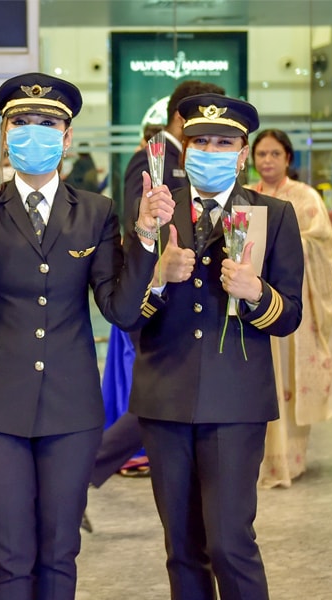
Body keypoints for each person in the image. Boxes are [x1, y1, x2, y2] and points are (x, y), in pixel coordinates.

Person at [0, 73, 174, 599]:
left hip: (70, 410)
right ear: (5, 134)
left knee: (58, 554)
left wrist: (145, 236)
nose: (35, 132)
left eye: (48, 123)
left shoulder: (96, 212)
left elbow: (121, 310)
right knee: (7, 556)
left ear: (68, 136)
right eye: (22, 122)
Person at [129, 93, 304, 600]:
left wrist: (256, 293)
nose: (211, 149)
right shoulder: (154, 213)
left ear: (243, 152)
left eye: (223, 142)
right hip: (166, 395)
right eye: (200, 140)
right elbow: (125, 311)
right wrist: (158, 279)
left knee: (230, 541)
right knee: (181, 547)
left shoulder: (273, 214)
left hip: (236, 400)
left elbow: (289, 315)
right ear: (183, 149)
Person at [89, 79, 227, 491]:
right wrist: (157, 277)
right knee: (154, 394)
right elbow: (142, 223)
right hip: (156, 292)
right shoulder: (151, 156)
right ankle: (84, 472)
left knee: (164, 392)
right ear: (181, 115)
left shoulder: (187, 154)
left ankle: (86, 474)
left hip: (191, 294)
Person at [246, 129, 332, 487]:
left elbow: (322, 245)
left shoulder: (304, 199)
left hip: (291, 306)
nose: (267, 161)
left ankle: (289, 461)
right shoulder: (247, 197)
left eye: (275, 154)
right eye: (261, 155)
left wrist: (281, 248)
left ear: (288, 158)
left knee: (287, 383)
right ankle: (256, 463)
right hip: (251, 307)